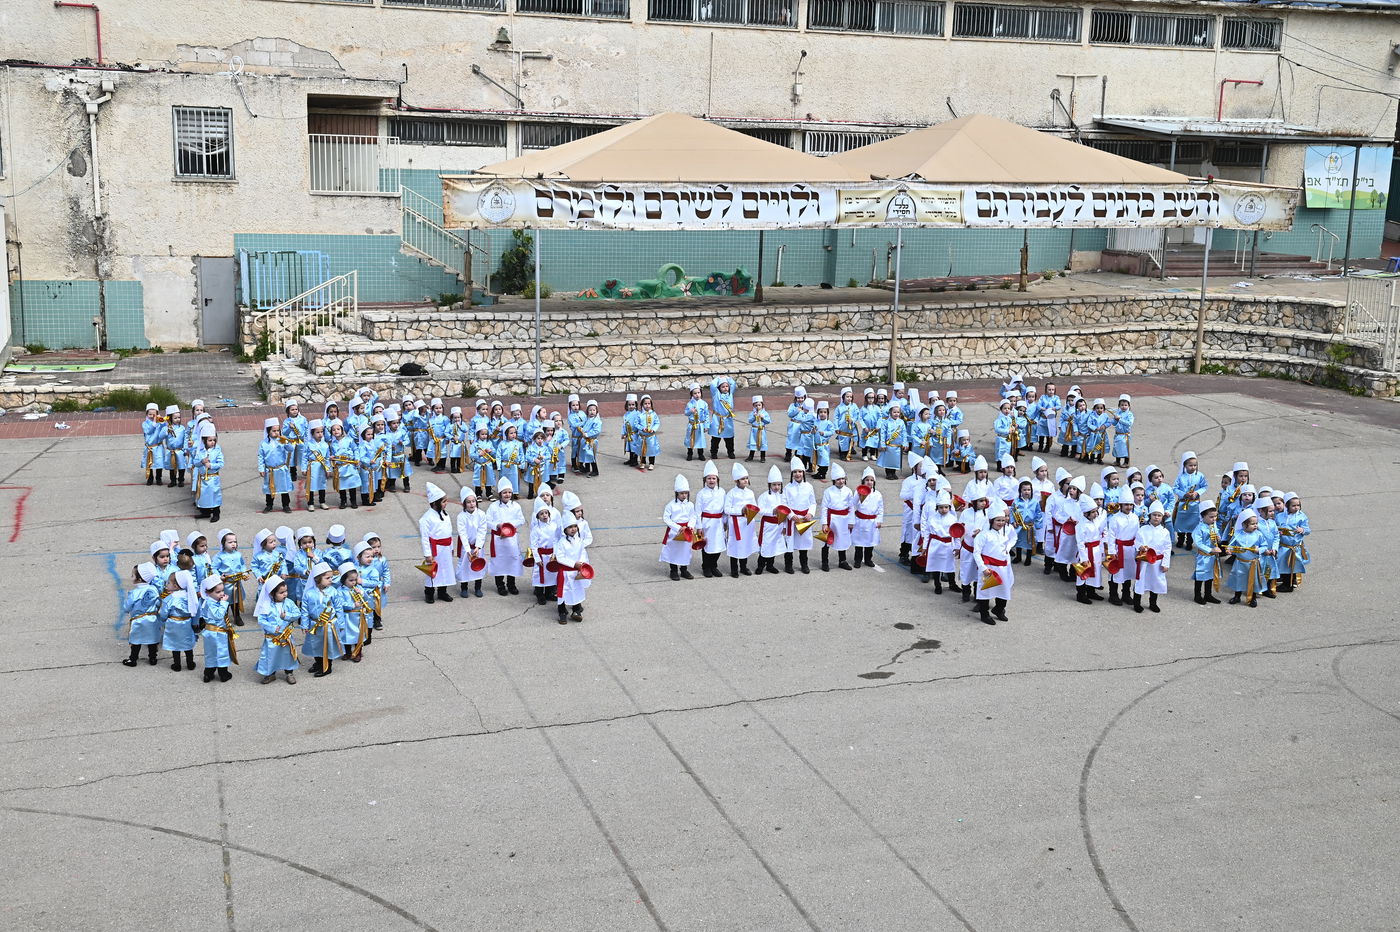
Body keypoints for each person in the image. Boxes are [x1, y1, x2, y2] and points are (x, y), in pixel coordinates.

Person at [974, 499, 1015, 625]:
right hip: (989, 567)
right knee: (986, 591)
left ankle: (999, 609)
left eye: (1003, 520)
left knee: (1004, 589)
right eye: (998, 520)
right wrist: (983, 568)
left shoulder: (1004, 533)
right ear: (991, 521)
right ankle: (984, 614)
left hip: (1003, 567)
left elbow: (1008, 544)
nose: (1001, 523)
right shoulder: (984, 535)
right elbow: (976, 552)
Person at [419, 481, 458, 604]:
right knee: (433, 571)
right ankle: (429, 592)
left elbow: (449, 532)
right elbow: (425, 538)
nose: (446, 503)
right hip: (435, 549)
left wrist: (451, 547)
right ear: (436, 503)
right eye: (444, 501)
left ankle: (442, 591)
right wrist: (428, 554)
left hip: (445, 547)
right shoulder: (426, 518)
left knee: (445, 570)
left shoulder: (445, 515)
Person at [486, 478, 526, 596]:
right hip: (498, 540)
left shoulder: (516, 506)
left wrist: (511, 525)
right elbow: (487, 520)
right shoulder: (493, 507)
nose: (507, 495)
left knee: (512, 560)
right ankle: (500, 584)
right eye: (504, 492)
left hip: (511, 539)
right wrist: (497, 525)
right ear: (500, 494)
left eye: (509, 492)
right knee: (499, 561)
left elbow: (521, 519)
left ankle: (511, 584)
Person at [194, 575, 237, 682]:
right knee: (219, 652)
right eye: (218, 592)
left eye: (222, 591)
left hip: (215, 632)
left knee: (213, 653)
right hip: (215, 632)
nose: (222, 594)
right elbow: (218, 615)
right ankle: (220, 674)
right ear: (208, 592)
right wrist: (223, 604)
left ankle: (210, 673)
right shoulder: (209, 603)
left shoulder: (213, 601)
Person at [300, 561, 339, 677]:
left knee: (327, 645)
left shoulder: (333, 591)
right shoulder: (309, 594)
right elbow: (305, 610)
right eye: (327, 578)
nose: (331, 580)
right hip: (315, 624)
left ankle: (327, 666)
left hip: (328, 625)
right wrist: (305, 625)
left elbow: (338, 607)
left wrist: (340, 624)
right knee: (315, 645)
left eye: (331, 577)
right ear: (317, 579)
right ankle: (318, 663)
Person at [1132, 502, 1171, 613]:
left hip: (1157, 562)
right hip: (1145, 561)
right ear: (1150, 515)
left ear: (1162, 517)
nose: (1156, 517)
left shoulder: (1165, 532)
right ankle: (1137, 603)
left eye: (1159, 515)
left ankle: (1153, 603)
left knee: (1156, 582)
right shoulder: (1143, 530)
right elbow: (1137, 541)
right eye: (1154, 515)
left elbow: (1167, 548)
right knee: (1141, 581)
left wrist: (1165, 563)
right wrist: (1140, 547)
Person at [122, 561, 164, 667]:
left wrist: (126, 609)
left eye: (133, 575)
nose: (131, 577)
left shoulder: (134, 593)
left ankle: (133, 659)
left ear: (139, 579)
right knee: (153, 639)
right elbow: (158, 602)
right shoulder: (154, 589)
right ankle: (153, 658)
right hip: (152, 618)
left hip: (138, 619)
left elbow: (127, 606)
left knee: (136, 639)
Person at [157, 569, 199, 673]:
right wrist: (195, 624)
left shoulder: (170, 598)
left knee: (175, 645)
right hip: (187, 623)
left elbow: (163, 613)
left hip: (174, 624)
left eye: (168, 583)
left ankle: (177, 664)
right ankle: (190, 663)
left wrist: (162, 620)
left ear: (175, 586)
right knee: (187, 644)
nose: (166, 585)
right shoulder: (190, 597)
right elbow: (196, 611)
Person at [553, 514, 591, 624]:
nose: (573, 529)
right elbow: (560, 557)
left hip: (576, 571)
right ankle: (562, 612)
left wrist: (582, 564)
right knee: (563, 592)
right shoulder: (562, 542)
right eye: (570, 527)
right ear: (565, 530)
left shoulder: (579, 540)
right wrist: (574, 564)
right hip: (565, 572)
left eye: (575, 526)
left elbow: (582, 552)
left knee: (576, 590)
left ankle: (576, 610)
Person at [1226, 509, 1266, 607]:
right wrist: (1229, 550)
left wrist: (1258, 550)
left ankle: (1253, 598)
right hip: (1240, 562)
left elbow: (1264, 546)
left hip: (1253, 563)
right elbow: (1231, 545)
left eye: (1256, 523)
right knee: (1238, 579)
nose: (1255, 525)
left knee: (1253, 580)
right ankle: (1237, 596)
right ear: (1244, 524)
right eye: (1252, 524)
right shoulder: (1237, 534)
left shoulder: (1259, 534)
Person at [819, 463, 855, 571]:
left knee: (842, 539)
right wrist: (825, 523)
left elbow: (851, 507)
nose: (841, 481)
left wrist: (851, 521)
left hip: (844, 519)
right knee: (827, 540)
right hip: (832, 519)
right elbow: (824, 507)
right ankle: (825, 562)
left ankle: (842, 561)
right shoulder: (828, 492)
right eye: (838, 479)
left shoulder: (848, 491)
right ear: (834, 480)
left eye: (843, 479)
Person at [783, 458, 817, 575]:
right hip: (792, 519)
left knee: (804, 543)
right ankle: (788, 564)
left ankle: (804, 564)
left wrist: (810, 513)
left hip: (804, 519)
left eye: (800, 471)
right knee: (790, 542)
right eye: (795, 472)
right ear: (792, 474)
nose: (798, 474)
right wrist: (791, 515)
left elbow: (813, 502)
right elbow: (784, 504)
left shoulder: (809, 487)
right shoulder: (787, 488)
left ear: (803, 473)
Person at [723, 462, 758, 577]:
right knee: (735, 545)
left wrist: (751, 512)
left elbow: (754, 505)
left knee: (746, 544)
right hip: (736, 523)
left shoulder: (750, 493)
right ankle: (734, 569)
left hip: (747, 522)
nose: (745, 480)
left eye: (746, 478)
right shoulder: (731, 494)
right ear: (736, 481)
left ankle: (744, 566)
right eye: (742, 479)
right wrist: (740, 511)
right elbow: (727, 509)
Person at [919, 488, 957, 592]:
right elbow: (927, 533)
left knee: (950, 565)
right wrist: (925, 547)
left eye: (946, 507)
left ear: (949, 507)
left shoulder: (953, 519)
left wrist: (957, 547)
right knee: (936, 565)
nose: (943, 510)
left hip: (949, 545)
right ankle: (937, 584)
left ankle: (952, 584)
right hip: (936, 544)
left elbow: (956, 535)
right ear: (937, 508)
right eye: (941, 507)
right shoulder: (932, 518)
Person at [661, 474, 698, 580]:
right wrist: (677, 527)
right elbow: (666, 518)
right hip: (675, 531)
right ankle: (673, 570)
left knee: (685, 550)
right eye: (682, 493)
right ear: (677, 493)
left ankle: (684, 569)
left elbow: (693, 516)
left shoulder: (690, 505)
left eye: (686, 493)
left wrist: (690, 526)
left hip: (687, 531)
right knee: (674, 550)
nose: (684, 495)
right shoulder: (671, 505)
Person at [334, 564, 373, 662]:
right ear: (343, 580)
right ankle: (348, 653)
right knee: (346, 636)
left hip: (358, 616)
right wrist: (352, 604)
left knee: (358, 635)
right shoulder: (340, 591)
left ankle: (358, 653)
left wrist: (362, 594)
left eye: (355, 580)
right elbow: (340, 603)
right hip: (347, 616)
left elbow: (367, 599)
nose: (354, 582)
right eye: (351, 580)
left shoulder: (358, 588)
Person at [695, 460, 727, 578]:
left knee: (718, 545)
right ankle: (706, 566)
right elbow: (697, 512)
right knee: (707, 545)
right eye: (709, 478)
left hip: (718, 522)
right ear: (705, 480)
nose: (711, 481)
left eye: (714, 478)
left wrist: (725, 522)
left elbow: (724, 509)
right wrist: (699, 527)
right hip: (707, 522)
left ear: (717, 479)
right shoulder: (701, 494)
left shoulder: (722, 492)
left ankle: (714, 565)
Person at [754, 465, 789, 575]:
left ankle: (770, 565)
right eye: (774, 485)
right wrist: (772, 511)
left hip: (778, 524)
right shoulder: (764, 496)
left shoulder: (783, 496)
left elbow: (786, 511)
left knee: (774, 545)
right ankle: (760, 565)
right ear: (769, 485)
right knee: (766, 545)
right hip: (768, 524)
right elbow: (760, 510)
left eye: (779, 485)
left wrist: (784, 526)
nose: (776, 487)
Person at [456, 488, 489, 598]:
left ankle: (478, 587)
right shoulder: (461, 517)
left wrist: (478, 546)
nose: (471, 504)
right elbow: (462, 533)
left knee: (478, 565)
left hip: (477, 547)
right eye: (468, 502)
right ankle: (464, 587)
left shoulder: (481, 514)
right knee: (465, 566)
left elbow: (482, 530)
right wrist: (467, 549)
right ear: (464, 504)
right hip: (466, 546)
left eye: (473, 501)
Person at [1074, 498, 1107, 604]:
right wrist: (1083, 558)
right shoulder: (1081, 525)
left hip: (1096, 550)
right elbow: (1080, 543)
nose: (1095, 514)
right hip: (1086, 551)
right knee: (1083, 573)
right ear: (1085, 513)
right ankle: (1081, 594)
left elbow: (1102, 531)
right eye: (1092, 512)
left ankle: (1091, 591)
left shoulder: (1096, 521)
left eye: (1096, 511)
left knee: (1096, 571)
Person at [258, 417, 294, 514]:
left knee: (284, 488)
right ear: (268, 431)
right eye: (274, 431)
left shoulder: (281, 440)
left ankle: (286, 505)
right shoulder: (263, 444)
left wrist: (286, 441)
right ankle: (269, 505)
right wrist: (261, 468)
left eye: (278, 430)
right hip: (270, 470)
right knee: (270, 489)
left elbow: (290, 449)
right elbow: (261, 456)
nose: (276, 432)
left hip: (281, 468)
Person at [1275, 493, 1310, 592]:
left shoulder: (1302, 517)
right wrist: (1278, 531)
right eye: (1293, 505)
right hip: (1284, 545)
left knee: (1292, 566)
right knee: (1283, 564)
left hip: (1294, 547)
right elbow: (1276, 527)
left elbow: (1308, 530)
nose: (1296, 508)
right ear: (1287, 506)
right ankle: (1285, 580)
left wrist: (1302, 530)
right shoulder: (1280, 516)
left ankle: (1288, 585)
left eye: (1298, 505)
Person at [528, 499, 561, 604]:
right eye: (541, 514)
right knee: (539, 575)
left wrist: (555, 554)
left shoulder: (554, 526)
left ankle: (549, 593)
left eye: (546, 513)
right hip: (541, 555)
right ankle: (539, 594)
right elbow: (534, 545)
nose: (544, 515)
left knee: (551, 574)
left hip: (551, 554)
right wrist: (537, 558)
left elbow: (556, 541)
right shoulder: (536, 530)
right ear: (538, 516)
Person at [851, 466, 884, 568]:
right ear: (863, 481)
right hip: (860, 521)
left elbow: (880, 508)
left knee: (870, 542)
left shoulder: (878, 494)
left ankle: (868, 559)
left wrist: (879, 520)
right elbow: (852, 505)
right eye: (867, 480)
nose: (869, 482)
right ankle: (857, 560)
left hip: (872, 522)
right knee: (859, 542)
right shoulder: (858, 492)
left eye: (871, 480)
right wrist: (852, 520)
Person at [709, 376, 739, 460]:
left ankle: (730, 452)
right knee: (715, 438)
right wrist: (718, 378)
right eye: (723, 387)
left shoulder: (730, 394)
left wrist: (728, 377)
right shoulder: (716, 394)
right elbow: (712, 385)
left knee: (729, 438)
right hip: (717, 419)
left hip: (727, 420)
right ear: (719, 388)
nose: (725, 388)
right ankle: (713, 452)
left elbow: (733, 383)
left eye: (726, 386)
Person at [877, 403, 907, 481]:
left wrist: (905, 443)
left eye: (898, 412)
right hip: (889, 445)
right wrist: (882, 444)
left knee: (895, 461)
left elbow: (904, 433)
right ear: (890, 412)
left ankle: (893, 473)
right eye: (894, 412)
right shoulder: (886, 422)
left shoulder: (901, 422)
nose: (896, 414)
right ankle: (888, 473)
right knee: (888, 460)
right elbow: (882, 434)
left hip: (897, 446)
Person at [684, 384, 710, 461]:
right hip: (692, 425)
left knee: (700, 440)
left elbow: (706, 415)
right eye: (695, 393)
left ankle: (700, 454)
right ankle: (689, 453)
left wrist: (706, 425)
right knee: (690, 439)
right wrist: (690, 411)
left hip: (700, 424)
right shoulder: (689, 404)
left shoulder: (704, 404)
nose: (697, 395)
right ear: (692, 394)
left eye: (698, 393)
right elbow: (686, 413)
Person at [635, 394, 662, 471]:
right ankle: (643, 462)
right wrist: (642, 428)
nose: (647, 405)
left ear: (651, 404)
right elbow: (636, 424)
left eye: (649, 403)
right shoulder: (640, 415)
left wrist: (653, 429)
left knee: (651, 450)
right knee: (642, 449)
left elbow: (657, 423)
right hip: (643, 436)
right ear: (642, 405)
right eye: (645, 403)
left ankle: (651, 463)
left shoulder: (653, 414)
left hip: (650, 436)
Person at [834, 387, 859, 462]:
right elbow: (836, 418)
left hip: (851, 427)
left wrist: (853, 420)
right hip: (843, 427)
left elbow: (857, 415)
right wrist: (836, 427)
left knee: (851, 439)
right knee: (842, 440)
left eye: (850, 397)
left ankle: (850, 449)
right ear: (843, 397)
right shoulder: (839, 408)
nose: (849, 398)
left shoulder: (854, 406)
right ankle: (842, 453)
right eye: (847, 396)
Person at [578, 400, 602, 478]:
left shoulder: (597, 421)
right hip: (585, 441)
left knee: (591, 455)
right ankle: (587, 468)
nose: (592, 412)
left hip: (591, 441)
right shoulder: (588, 419)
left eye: (594, 410)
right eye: (590, 410)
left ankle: (595, 470)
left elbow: (596, 431)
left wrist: (587, 434)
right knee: (585, 454)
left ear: (597, 411)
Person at [746, 395, 772, 462]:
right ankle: (751, 456)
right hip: (754, 430)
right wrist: (754, 417)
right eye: (756, 405)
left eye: (759, 405)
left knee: (762, 443)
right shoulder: (752, 413)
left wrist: (763, 418)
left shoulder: (765, 413)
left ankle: (762, 457)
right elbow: (750, 421)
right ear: (753, 406)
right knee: (753, 442)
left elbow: (768, 421)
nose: (758, 407)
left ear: (762, 405)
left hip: (761, 430)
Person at [1110, 394, 1133, 467]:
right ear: (1119, 406)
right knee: (1117, 448)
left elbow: (1129, 423)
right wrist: (1115, 419)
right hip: (1118, 434)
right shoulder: (1117, 413)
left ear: (1129, 406)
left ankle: (1126, 462)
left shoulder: (1129, 414)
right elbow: (1114, 423)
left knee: (1125, 449)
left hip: (1124, 435)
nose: (1124, 407)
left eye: (1125, 405)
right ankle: (1117, 461)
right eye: (1122, 405)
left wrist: (1120, 419)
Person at [621, 393, 640, 467]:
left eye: (633, 405)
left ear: (635, 405)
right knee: (629, 447)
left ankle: (635, 461)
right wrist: (623, 433)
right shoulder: (626, 414)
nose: (631, 406)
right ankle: (631, 459)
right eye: (629, 405)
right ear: (626, 405)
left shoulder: (638, 414)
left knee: (634, 447)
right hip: (628, 434)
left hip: (634, 434)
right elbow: (624, 424)